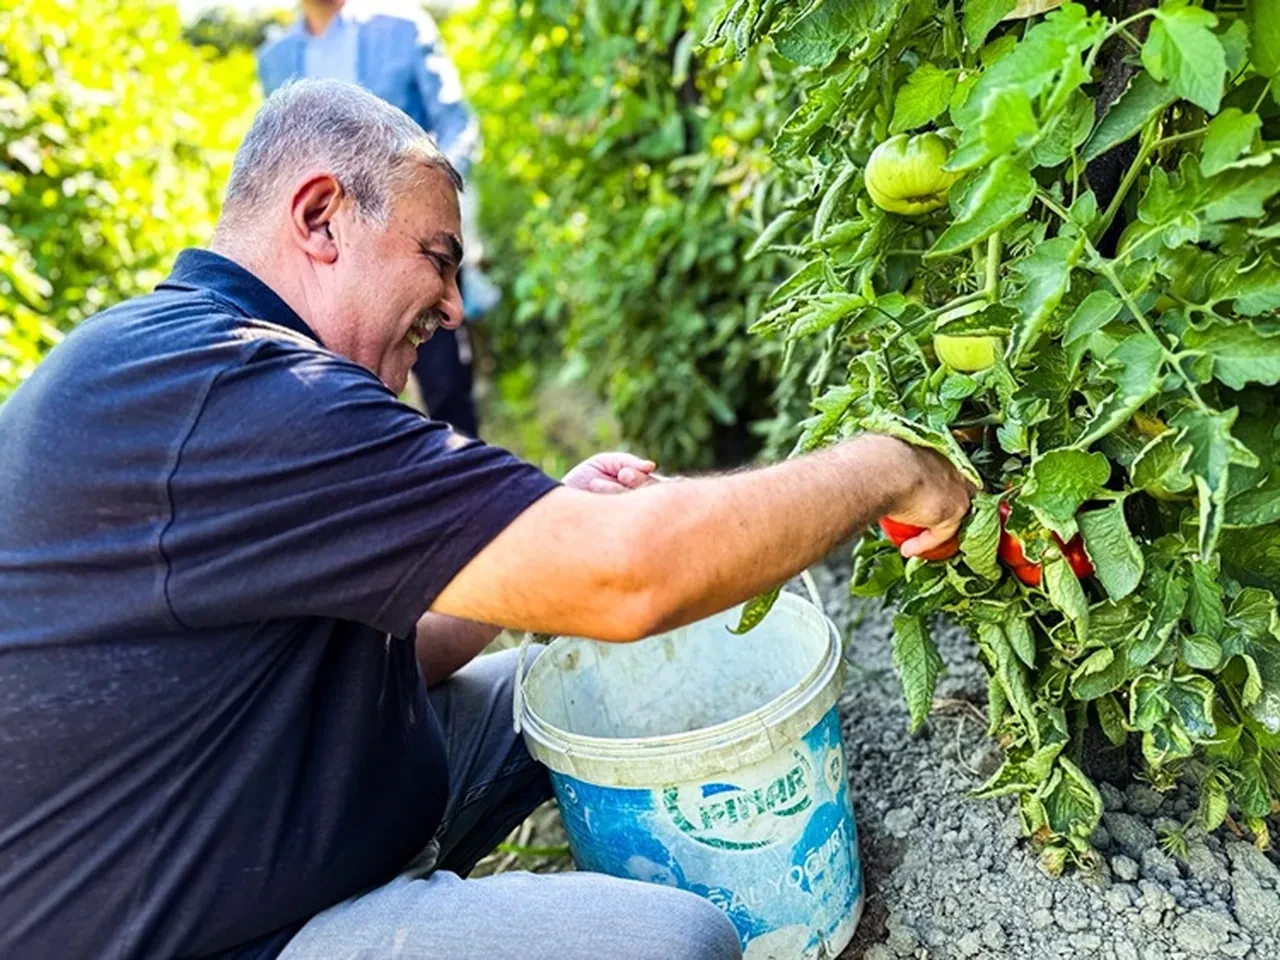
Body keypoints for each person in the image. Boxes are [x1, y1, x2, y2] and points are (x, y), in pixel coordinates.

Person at [0, 81, 971, 960]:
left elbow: (408, 643)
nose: (455, 308)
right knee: (671, 945)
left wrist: (549, 527)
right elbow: (626, 579)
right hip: (211, 934)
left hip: (255, 819)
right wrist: (886, 468)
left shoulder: (193, 364)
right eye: (437, 258)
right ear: (320, 215)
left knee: (582, 690)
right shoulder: (233, 393)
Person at [258, 0, 484, 435]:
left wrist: (431, 208)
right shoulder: (275, 58)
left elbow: (458, 125)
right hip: (323, 268)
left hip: (412, 253)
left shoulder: (401, 27)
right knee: (332, 405)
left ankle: (474, 494)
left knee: (447, 392)